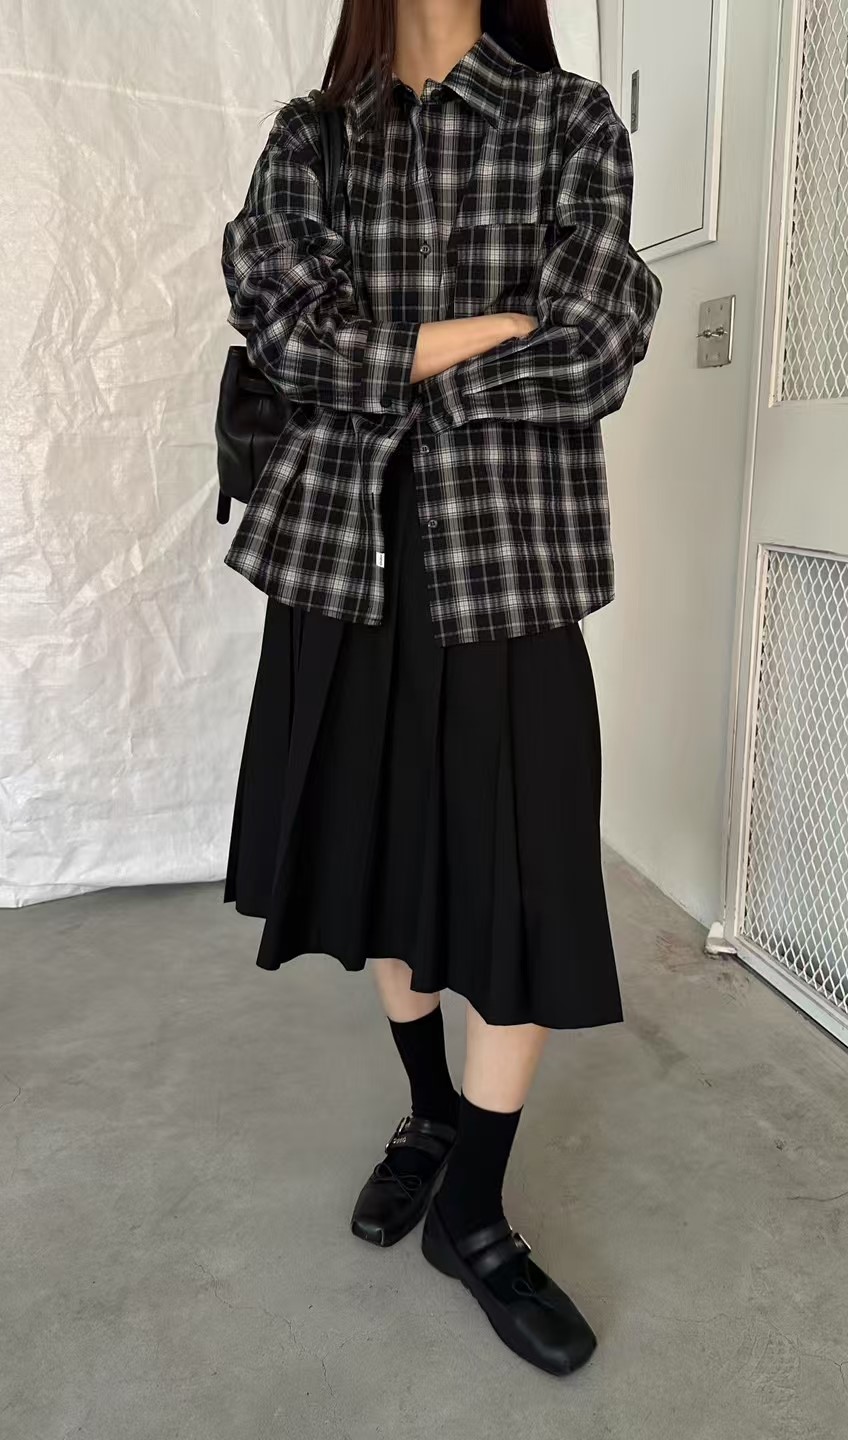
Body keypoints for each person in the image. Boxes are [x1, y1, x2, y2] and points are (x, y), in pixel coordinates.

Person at [220, 0, 660, 1376]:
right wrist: (491, 329)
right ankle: (430, 1116)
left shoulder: (567, 119)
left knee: (519, 892)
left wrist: (397, 366)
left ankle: (473, 1210)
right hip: (340, 567)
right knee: (382, 870)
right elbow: (282, 326)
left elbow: (600, 336)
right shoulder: (312, 138)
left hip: (509, 566)